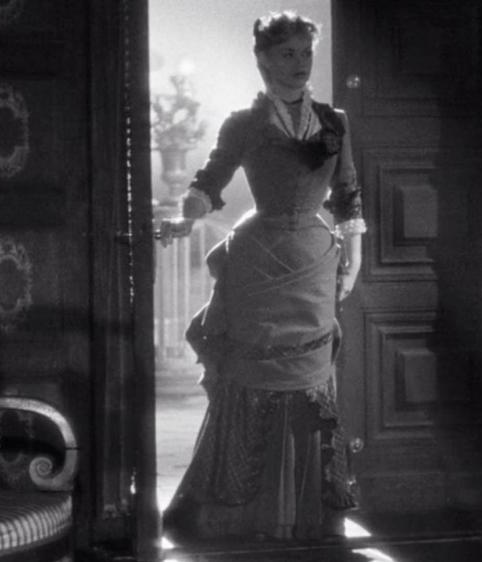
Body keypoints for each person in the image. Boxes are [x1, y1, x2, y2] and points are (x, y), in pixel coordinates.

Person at [159, 10, 367, 542]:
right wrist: (185, 217)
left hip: (315, 259)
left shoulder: (334, 122)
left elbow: (348, 195)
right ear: (263, 60)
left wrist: (355, 255)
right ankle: (242, 511)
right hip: (258, 260)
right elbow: (210, 181)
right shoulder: (244, 122)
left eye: (306, 53)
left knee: (311, 377)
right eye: (287, 54)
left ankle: (308, 511)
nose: (300, 64)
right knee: (253, 376)